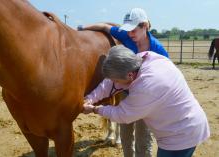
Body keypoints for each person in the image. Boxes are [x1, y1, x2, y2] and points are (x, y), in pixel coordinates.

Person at [82, 45, 210, 157]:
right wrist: (90, 98)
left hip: (181, 134)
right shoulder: (142, 59)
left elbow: (122, 115)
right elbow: (109, 83)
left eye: (117, 81)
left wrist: (95, 109)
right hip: (182, 124)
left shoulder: (145, 88)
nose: (115, 83)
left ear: (130, 76)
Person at [79, 8, 169, 157]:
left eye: (133, 30)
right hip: (126, 93)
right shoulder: (127, 37)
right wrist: (82, 28)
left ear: (144, 26)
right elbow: (104, 27)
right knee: (125, 136)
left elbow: (167, 75)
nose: (129, 33)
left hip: (147, 97)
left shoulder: (158, 49)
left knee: (143, 139)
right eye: (128, 30)